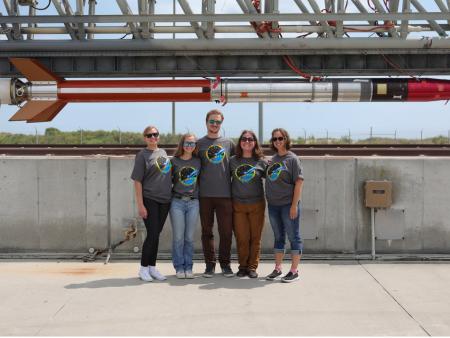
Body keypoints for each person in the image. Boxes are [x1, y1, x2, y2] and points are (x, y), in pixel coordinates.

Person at [197, 109, 235, 278]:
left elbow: (242, 160)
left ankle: (225, 264)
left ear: (221, 123)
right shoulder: (199, 144)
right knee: (207, 231)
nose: (214, 125)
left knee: (226, 231)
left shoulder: (229, 143)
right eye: (212, 121)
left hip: (225, 194)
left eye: (218, 122)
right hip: (205, 195)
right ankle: (209, 265)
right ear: (206, 123)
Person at [131, 125, 172, 282]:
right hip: (150, 199)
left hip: (165, 200)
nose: (153, 137)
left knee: (156, 235)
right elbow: (137, 181)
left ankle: (152, 268)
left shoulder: (163, 153)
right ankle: (143, 268)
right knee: (152, 234)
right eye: (149, 135)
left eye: (155, 134)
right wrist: (141, 205)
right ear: (145, 138)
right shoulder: (142, 155)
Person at [265, 128, 304, 283]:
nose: (277, 141)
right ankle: (278, 268)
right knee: (278, 237)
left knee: (293, 236)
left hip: (288, 205)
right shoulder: (273, 159)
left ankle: (294, 271)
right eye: (275, 139)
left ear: (286, 139)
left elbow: (299, 183)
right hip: (273, 205)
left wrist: (294, 205)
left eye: (280, 138)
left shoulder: (292, 159)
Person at [230, 130, 267, 278]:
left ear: (255, 142)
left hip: (256, 204)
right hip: (238, 205)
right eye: (244, 139)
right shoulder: (232, 160)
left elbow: (273, 179)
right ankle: (243, 266)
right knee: (242, 237)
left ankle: (252, 267)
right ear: (240, 142)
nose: (247, 141)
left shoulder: (262, 161)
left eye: (250, 139)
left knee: (255, 238)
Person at [169, 133, 201, 279]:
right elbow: (165, 180)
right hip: (177, 202)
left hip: (193, 202)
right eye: (187, 143)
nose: (189, 146)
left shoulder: (198, 161)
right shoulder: (174, 161)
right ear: (182, 144)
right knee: (178, 238)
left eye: (192, 143)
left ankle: (189, 266)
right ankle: (179, 267)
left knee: (189, 237)